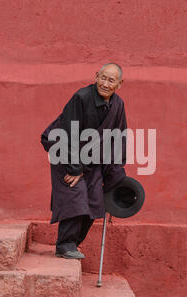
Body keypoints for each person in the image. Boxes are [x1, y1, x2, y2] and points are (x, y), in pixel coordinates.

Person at [41, 63, 127, 259]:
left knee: (95, 202)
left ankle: (74, 243)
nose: (105, 83)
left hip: (92, 160)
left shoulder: (118, 105)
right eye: (103, 78)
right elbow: (68, 134)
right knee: (75, 198)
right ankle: (64, 245)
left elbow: (119, 137)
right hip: (65, 152)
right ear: (96, 76)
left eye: (111, 80)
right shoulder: (81, 97)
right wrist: (75, 168)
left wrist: (115, 175)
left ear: (119, 84)